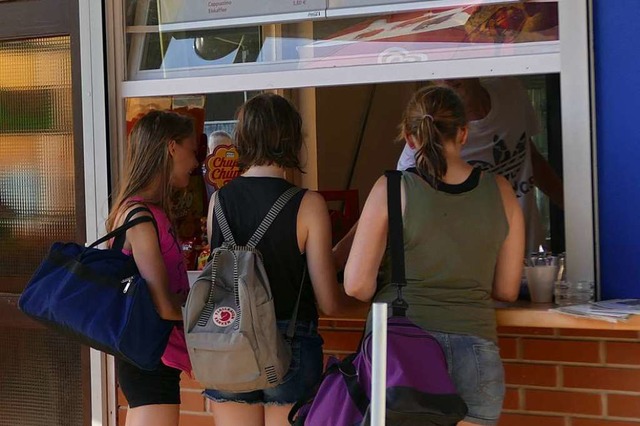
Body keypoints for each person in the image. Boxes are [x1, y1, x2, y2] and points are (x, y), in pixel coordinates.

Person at [343, 86, 525, 426]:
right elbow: (508, 289)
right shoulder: (501, 191)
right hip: (477, 351)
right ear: (464, 132)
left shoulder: (392, 189)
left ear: (411, 139)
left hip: (402, 356)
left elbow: (356, 285)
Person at [203, 93, 360, 426]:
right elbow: (329, 302)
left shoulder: (218, 202)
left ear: (243, 138)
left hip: (229, 338)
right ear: (291, 138)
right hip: (290, 343)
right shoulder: (308, 204)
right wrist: (366, 301)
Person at [397, 77, 562, 253]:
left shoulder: (510, 90)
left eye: (454, 60)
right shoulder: (417, 155)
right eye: (438, 66)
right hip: (480, 269)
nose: (447, 77)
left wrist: (578, 210)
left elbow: (529, 156)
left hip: (534, 256)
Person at [107, 110, 198, 426]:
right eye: (192, 149)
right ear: (172, 147)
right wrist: (211, 316)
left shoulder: (145, 211)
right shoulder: (139, 216)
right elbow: (162, 304)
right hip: (150, 356)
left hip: (151, 355)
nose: (195, 162)